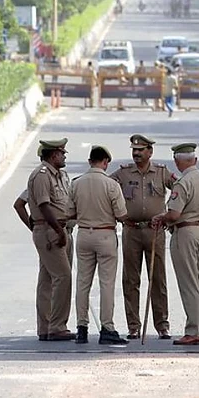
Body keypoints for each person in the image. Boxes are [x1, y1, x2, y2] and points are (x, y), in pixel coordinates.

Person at [110, 134, 177, 340]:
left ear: (150, 152)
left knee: (157, 278)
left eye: (141, 150)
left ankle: (162, 325)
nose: (136, 154)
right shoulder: (123, 173)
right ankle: (133, 325)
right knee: (130, 279)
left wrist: (171, 217)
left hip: (155, 230)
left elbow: (181, 190)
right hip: (131, 230)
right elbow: (104, 188)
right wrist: (118, 216)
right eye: (134, 150)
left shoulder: (162, 172)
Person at [151, 143, 199, 345]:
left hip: (186, 231)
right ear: (194, 160)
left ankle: (193, 330)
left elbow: (174, 214)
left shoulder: (182, 183)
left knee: (189, 282)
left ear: (177, 162)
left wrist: (161, 217)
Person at [72, 145, 129, 345]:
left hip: (83, 235)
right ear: (105, 162)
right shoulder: (111, 185)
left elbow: (70, 211)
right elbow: (122, 214)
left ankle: (81, 328)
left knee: (82, 283)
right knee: (106, 284)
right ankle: (107, 327)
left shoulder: (76, 183)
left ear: (90, 161)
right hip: (105, 234)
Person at [26, 138, 76, 342]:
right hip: (51, 231)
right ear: (53, 154)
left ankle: (46, 327)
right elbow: (44, 206)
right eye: (62, 153)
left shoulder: (60, 176)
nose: (64, 156)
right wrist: (57, 230)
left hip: (58, 229)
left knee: (47, 280)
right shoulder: (41, 175)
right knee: (63, 277)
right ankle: (57, 326)